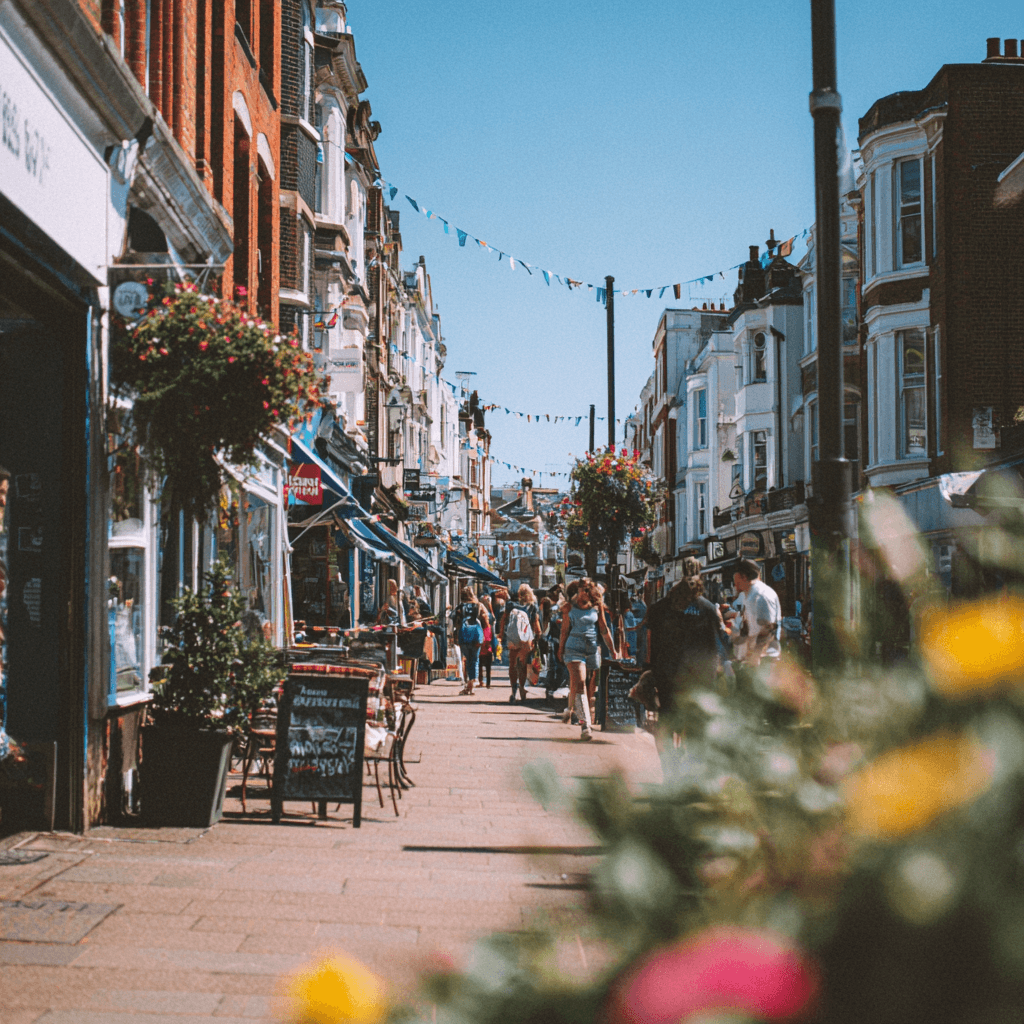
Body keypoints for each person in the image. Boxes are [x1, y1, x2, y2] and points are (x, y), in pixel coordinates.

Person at [643, 558, 731, 775]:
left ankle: (668, 770)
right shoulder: (709, 609)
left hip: (668, 676)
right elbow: (719, 645)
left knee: (666, 722)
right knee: (695, 726)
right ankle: (690, 771)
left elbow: (649, 643)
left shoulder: (660, 608)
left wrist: (648, 669)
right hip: (699, 679)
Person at [558, 578, 621, 740]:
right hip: (573, 649)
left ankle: (569, 710)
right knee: (580, 684)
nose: (583, 593)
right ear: (577, 590)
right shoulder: (569, 607)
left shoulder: (596, 606)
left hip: (592, 650)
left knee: (579, 684)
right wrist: (560, 649)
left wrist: (613, 649)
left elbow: (603, 628)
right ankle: (585, 725)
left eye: (587, 590)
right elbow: (564, 631)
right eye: (581, 590)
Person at [732, 559, 782, 669]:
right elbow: (750, 626)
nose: (735, 586)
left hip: (765, 660)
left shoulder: (761, 595)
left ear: (744, 577)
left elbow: (768, 628)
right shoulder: (749, 595)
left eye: (736, 582)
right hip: (756, 659)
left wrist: (755, 655)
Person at [501, 584, 541, 704]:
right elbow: (536, 625)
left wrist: (502, 634)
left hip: (513, 638)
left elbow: (504, 620)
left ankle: (513, 690)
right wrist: (537, 637)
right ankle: (522, 689)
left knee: (512, 665)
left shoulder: (510, 605)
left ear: (519, 594)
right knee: (522, 665)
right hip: (526, 639)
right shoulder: (533, 607)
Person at [452, 586, 486, 696]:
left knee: (467, 660)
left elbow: (455, 622)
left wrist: (455, 637)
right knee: (475, 660)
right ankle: (472, 685)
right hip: (476, 635)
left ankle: (468, 685)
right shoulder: (479, 606)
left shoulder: (460, 607)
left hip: (464, 636)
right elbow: (486, 620)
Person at [478, 594, 495, 689]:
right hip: (487, 648)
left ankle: (482, 681)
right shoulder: (488, 625)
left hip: (481, 648)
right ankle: (487, 683)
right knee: (487, 667)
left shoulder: (479, 624)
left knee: (481, 666)